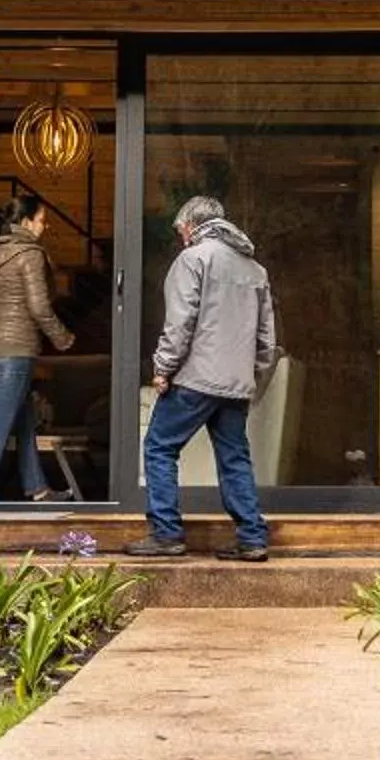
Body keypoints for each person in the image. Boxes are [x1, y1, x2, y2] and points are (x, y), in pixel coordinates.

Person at [124, 195, 278, 561]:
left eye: (180, 230)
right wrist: (250, 377)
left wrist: (163, 369)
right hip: (235, 383)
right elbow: (267, 339)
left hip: (195, 380)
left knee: (160, 447)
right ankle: (252, 537)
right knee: (234, 457)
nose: (181, 238)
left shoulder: (193, 259)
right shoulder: (255, 270)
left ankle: (166, 533)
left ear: (191, 226)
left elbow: (179, 323)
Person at [0, 195, 73, 502]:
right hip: (17, 350)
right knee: (0, 425)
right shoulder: (31, 254)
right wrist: (63, 338)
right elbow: (39, 307)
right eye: (42, 219)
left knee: (24, 421)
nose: (46, 225)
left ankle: (37, 488)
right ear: (26, 223)